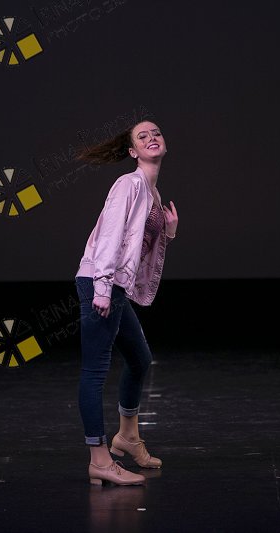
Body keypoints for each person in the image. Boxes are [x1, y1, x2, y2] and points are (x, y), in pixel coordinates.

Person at [73, 120, 178, 486]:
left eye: (156, 133)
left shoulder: (152, 193)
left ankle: (128, 438)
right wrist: (102, 287)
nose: (152, 138)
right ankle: (99, 460)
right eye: (142, 136)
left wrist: (167, 233)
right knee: (94, 370)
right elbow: (110, 236)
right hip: (100, 283)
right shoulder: (128, 184)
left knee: (139, 359)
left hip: (115, 286)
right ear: (133, 151)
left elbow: (136, 248)